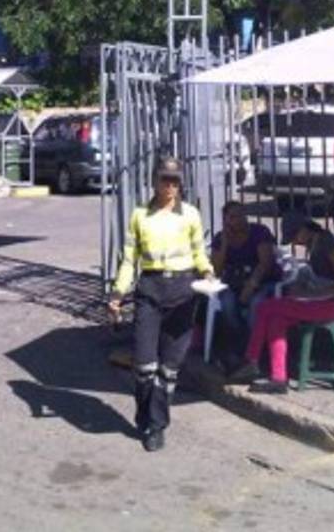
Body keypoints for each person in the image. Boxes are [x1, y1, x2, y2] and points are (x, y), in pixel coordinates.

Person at [107, 157, 213, 452]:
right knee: (143, 365)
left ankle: (157, 425)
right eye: (165, 180)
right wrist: (117, 293)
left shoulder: (190, 214)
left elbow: (199, 253)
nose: (170, 186)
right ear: (155, 181)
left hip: (182, 291)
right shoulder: (140, 215)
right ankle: (144, 413)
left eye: (175, 181)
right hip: (151, 289)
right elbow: (130, 259)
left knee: (169, 370)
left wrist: (207, 272)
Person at [230, 212, 334, 393]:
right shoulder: (316, 243)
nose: (296, 242)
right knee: (276, 320)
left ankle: (252, 360)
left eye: (295, 236)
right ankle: (279, 378)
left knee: (266, 307)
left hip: (332, 305)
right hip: (318, 301)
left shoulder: (328, 245)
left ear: (305, 229)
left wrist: (315, 295)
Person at [210, 201, 280, 372]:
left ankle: (253, 352)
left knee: (256, 304)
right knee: (226, 303)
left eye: (242, 215)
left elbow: (266, 263)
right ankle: (239, 346)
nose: (240, 220)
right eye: (233, 217)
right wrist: (225, 244)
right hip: (234, 282)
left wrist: (252, 285)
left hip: (263, 281)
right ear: (225, 220)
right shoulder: (220, 238)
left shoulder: (259, 232)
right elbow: (216, 270)